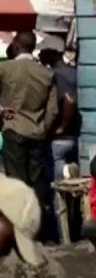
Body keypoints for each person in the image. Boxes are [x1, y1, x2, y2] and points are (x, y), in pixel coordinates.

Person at [0, 32, 58, 209]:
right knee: (37, 178)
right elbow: (53, 110)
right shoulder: (46, 73)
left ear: (16, 46)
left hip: (13, 127)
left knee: (17, 179)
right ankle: (39, 216)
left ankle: (19, 216)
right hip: (37, 131)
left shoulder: (6, 68)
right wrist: (43, 128)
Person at [39, 48, 80, 186]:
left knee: (58, 182)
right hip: (77, 133)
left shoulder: (56, 75)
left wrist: (62, 126)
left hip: (60, 137)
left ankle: (59, 200)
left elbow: (69, 100)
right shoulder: (76, 72)